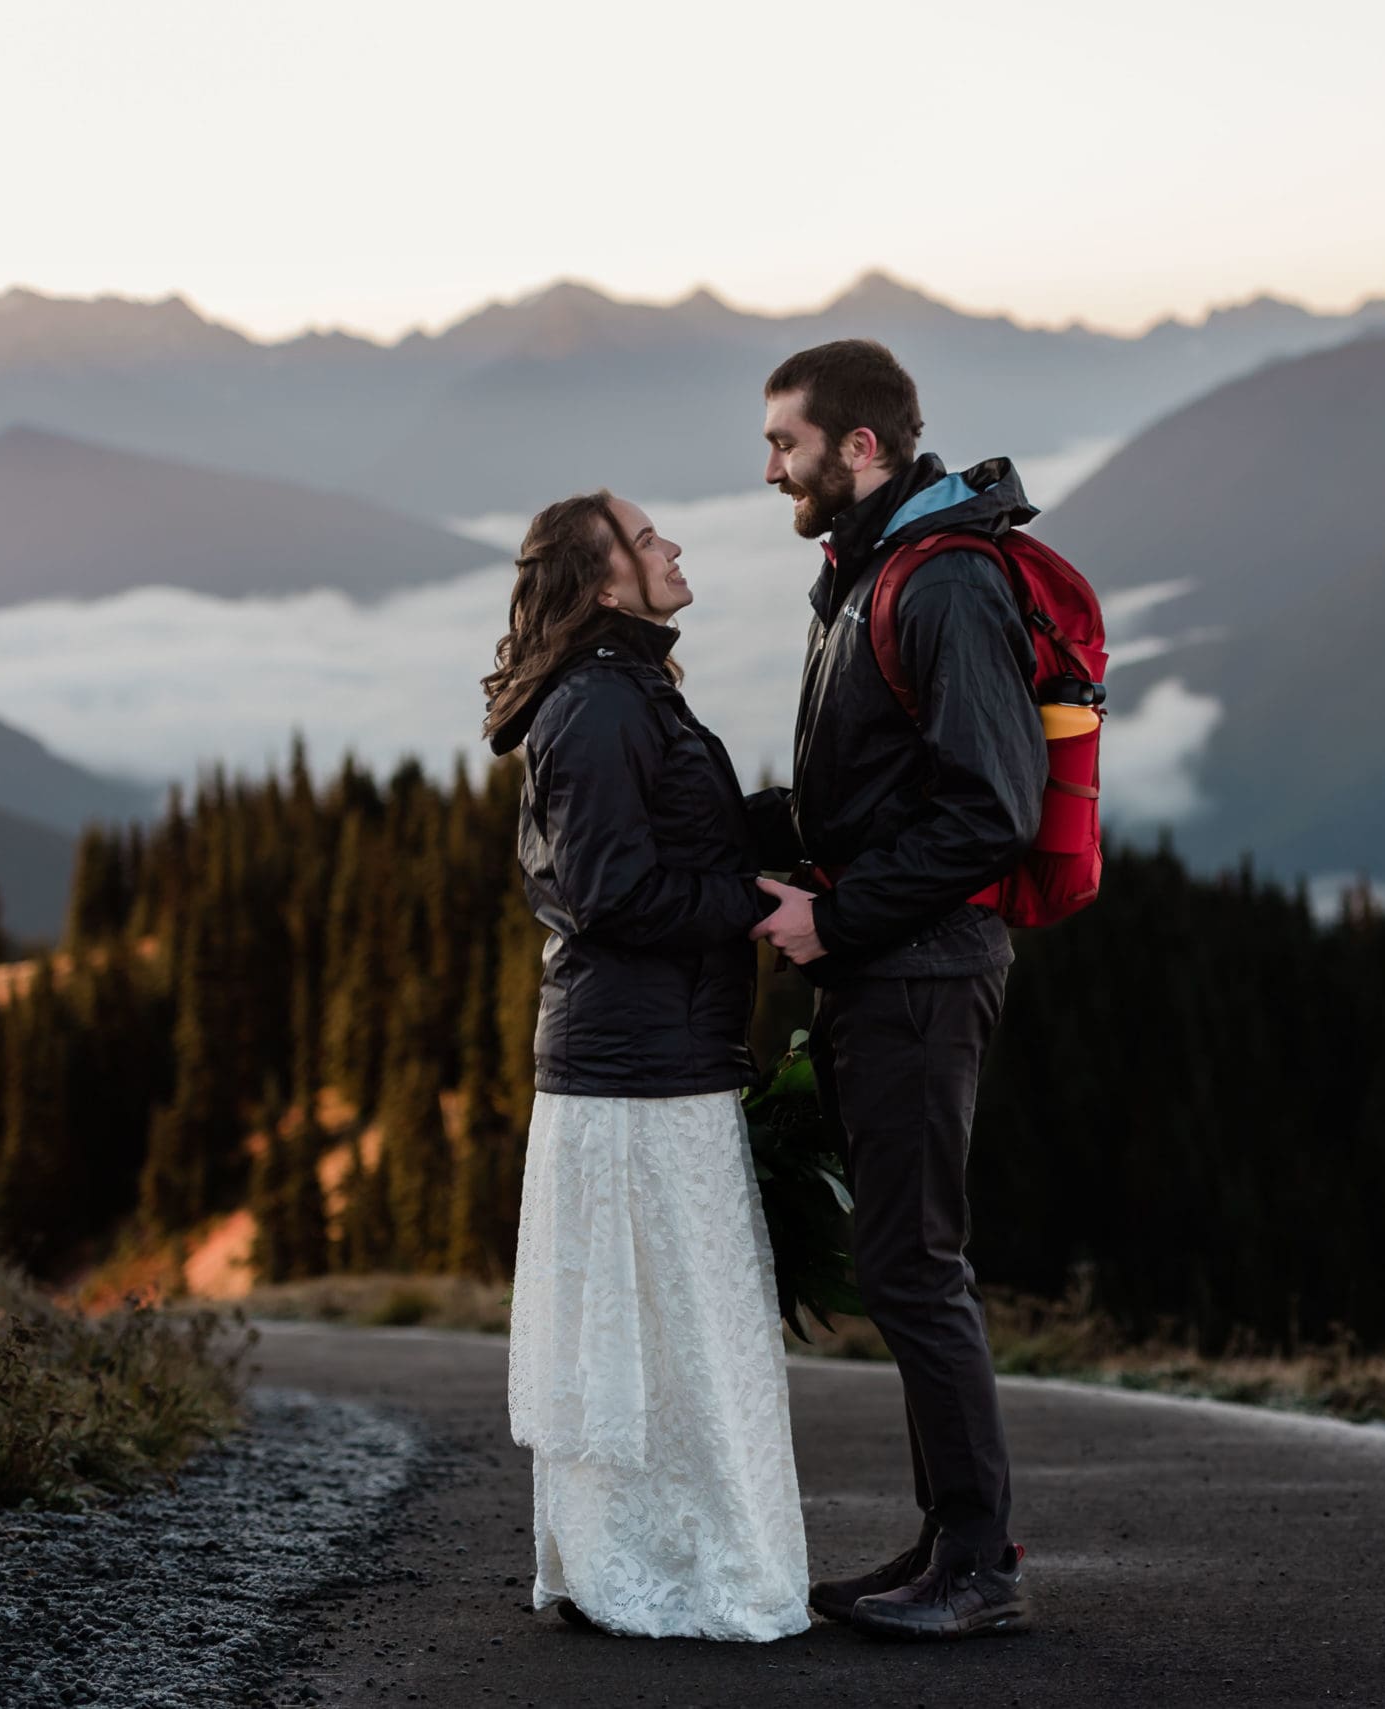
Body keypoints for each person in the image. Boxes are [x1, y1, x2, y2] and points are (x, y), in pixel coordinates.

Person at [748, 339, 1045, 1640]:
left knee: (917, 1266)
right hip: (887, 966)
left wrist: (837, 915)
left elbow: (994, 810)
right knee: (902, 1259)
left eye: (785, 445)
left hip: (921, 970)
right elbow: (866, 792)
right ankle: (943, 1543)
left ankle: (978, 1566)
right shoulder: (869, 572)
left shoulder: (942, 586)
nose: (769, 470)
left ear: (858, 447)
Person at [484, 489, 810, 1642]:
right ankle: (658, 1566)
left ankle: (644, 1556)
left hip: (650, 1055)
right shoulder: (601, 705)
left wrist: (803, 818)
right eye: (648, 535)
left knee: (669, 1327)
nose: (673, 545)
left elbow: (677, 837)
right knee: (662, 1329)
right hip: (635, 1069)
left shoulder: (626, 692)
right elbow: (611, 891)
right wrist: (759, 903)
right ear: (605, 577)